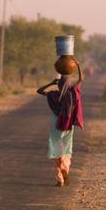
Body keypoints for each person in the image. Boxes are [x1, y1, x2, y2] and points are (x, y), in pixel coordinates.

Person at [37, 58, 84, 187]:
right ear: (68, 84)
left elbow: (39, 91)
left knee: (56, 147)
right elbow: (81, 80)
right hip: (67, 125)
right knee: (65, 148)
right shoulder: (72, 93)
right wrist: (78, 66)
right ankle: (65, 167)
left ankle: (60, 179)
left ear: (58, 85)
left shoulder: (54, 94)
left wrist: (51, 83)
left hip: (55, 124)